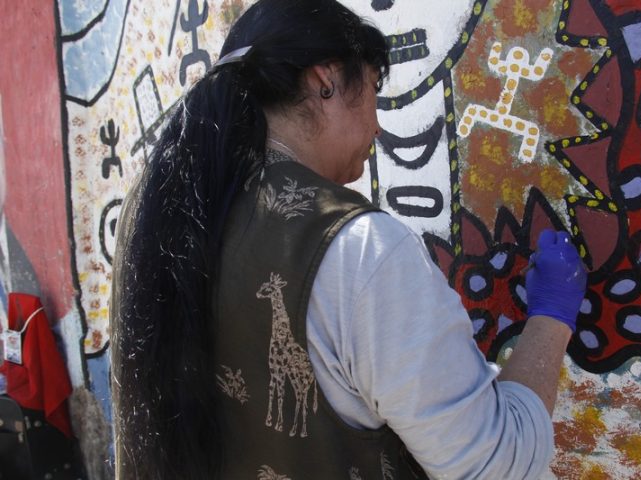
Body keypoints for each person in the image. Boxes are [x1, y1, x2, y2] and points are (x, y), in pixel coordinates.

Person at [110, 0, 588, 478]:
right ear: (326, 81)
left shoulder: (156, 215)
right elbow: (495, 464)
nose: (378, 126)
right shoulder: (360, 248)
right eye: (374, 88)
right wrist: (552, 317)